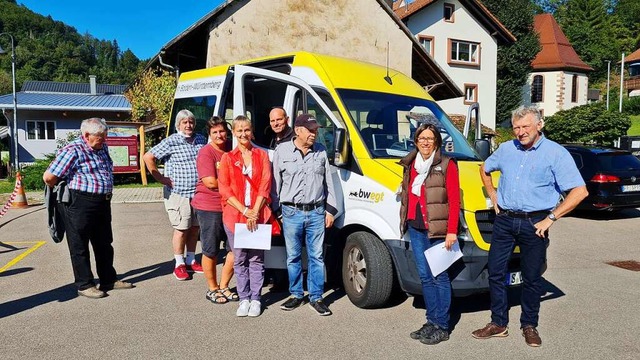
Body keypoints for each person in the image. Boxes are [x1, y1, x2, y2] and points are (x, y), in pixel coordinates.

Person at [471, 107, 588, 347]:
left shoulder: (556, 153)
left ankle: (529, 325)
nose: (521, 132)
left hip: (536, 223)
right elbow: (484, 169)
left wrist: (551, 218)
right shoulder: (506, 149)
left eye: (525, 126)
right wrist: (493, 196)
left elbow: (580, 191)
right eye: (516, 127)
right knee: (495, 272)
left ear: (539, 125)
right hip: (504, 221)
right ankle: (498, 323)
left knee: (532, 278)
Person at [43, 118, 133, 299]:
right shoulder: (72, 150)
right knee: (79, 244)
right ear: (86, 135)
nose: (104, 140)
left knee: (104, 243)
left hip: (101, 201)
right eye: (100, 136)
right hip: (79, 202)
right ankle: (85, 284)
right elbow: (49, 177)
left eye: (105, 136)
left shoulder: (101, 147)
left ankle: (108, 279)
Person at [398, 123, 460, 345]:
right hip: (416, 227)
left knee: (439, 277)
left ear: (437, 142)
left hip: (437, 230)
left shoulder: (446, 164)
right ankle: (431, 320)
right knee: (425, 276)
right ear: (415, 141)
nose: (425, 142)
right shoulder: (411, 164)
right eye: (421, 138)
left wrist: (451, 230)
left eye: (430, 138)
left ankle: (442, 325)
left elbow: (454, 200)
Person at [272, 114, 338, 316]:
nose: (314, 134)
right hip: (291, 212)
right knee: (293, 257)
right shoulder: (281, 151)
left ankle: (316, 297)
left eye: (316, 130)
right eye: (310, 130)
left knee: (316, 257)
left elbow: (329, 183)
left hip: (317, 212)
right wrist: (278, 212)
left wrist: (330, 210)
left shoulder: (320, 152)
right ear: (298, 130)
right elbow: (275, 185)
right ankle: (296, 294)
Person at [143, 109, 207, 281]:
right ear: (178, 124)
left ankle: (191, 259)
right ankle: (178, 264)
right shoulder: (171, 141)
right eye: (184, 122)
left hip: (198, 193)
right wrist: (160, 178)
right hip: (179, 194)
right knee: (181, 229)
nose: (188, 125)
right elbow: (148, 156)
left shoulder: (200, 139)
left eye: (191, 122)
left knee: (194, 228)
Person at [218, 115, 272, 317]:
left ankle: (256, 299)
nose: (243, 134)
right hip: (235, 216)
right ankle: (244, 298)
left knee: (256, 259)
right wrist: (244, 210)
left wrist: (255, 211)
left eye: (246, 130)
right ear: (233, 132)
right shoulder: (227, 158)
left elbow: (265, 185)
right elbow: (224, 190)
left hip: (258, 214)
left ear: (252, 131)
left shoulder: (262, 156)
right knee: (239, 259)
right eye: (239, 130)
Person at [191, 116, 238, 304]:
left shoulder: (231, 151)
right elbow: (210, 182)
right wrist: (237, 187)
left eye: (221, 131)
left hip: (231, 207)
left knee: (235, 248)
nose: (219, 135)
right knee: (210, 250)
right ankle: (212, 288)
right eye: (215, 132)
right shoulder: (206, 153)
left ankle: (224, 285)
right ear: (210, 135)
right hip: (209, 207)